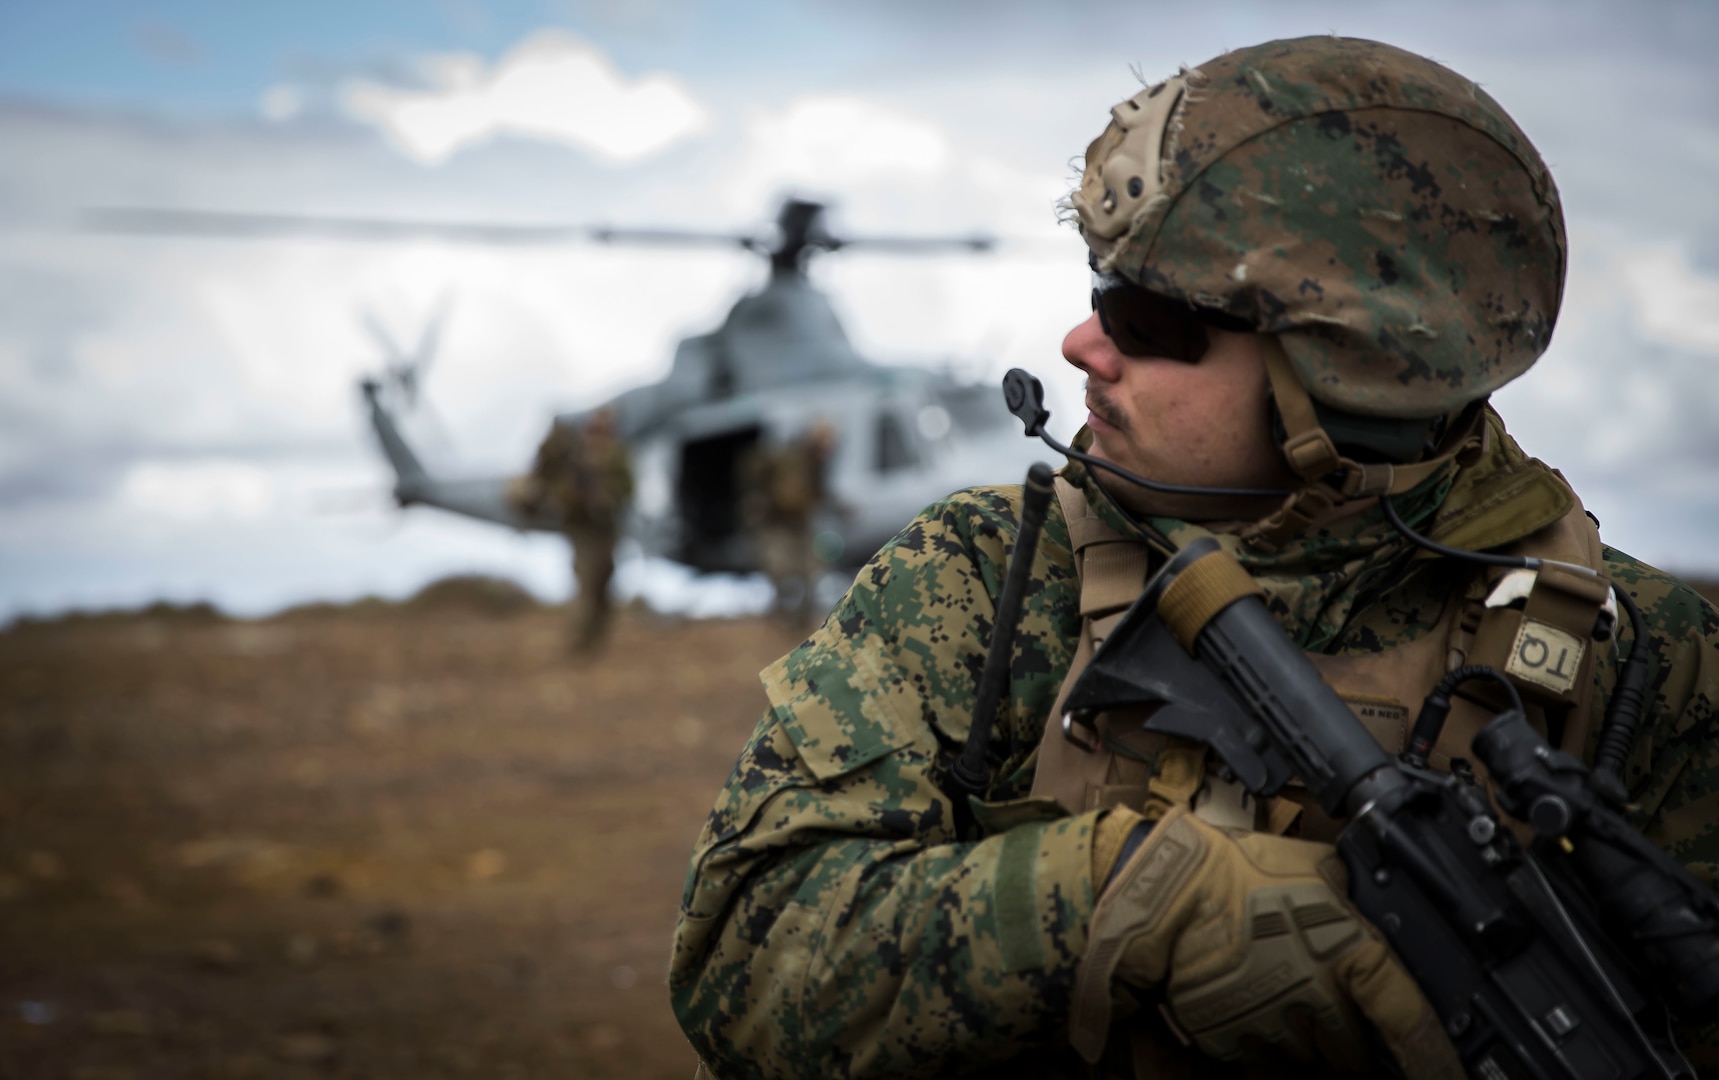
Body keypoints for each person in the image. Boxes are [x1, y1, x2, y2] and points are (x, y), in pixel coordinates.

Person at [670, 36, 1719, 1080]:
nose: (1083, 345)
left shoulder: (1646, 660)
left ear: (1344, 372)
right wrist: (1132, 898)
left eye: (1146, 318)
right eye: (1098, 293)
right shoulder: (989, 578)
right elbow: (743, 967)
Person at [515, 408, 633, 652]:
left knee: (603, 584)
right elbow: (555, 482)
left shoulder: (616, 455)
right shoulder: (575, 456)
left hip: (607, 531)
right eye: (596, 426)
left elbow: (628, 487)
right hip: (581, 531)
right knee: (587, 584)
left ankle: (595, 641)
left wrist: (608, 496)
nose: (599, 431)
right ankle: (580, 645)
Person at [743, 420, 838, 628]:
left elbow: (819, 492)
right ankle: (780, 614)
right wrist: (757, 500)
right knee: (780, 568)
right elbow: (757, 474)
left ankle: (802, 618)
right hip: (776, 523)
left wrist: (840, 508)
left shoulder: (816, 465)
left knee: (812, 570)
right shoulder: (787, 458)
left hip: (800, 523)